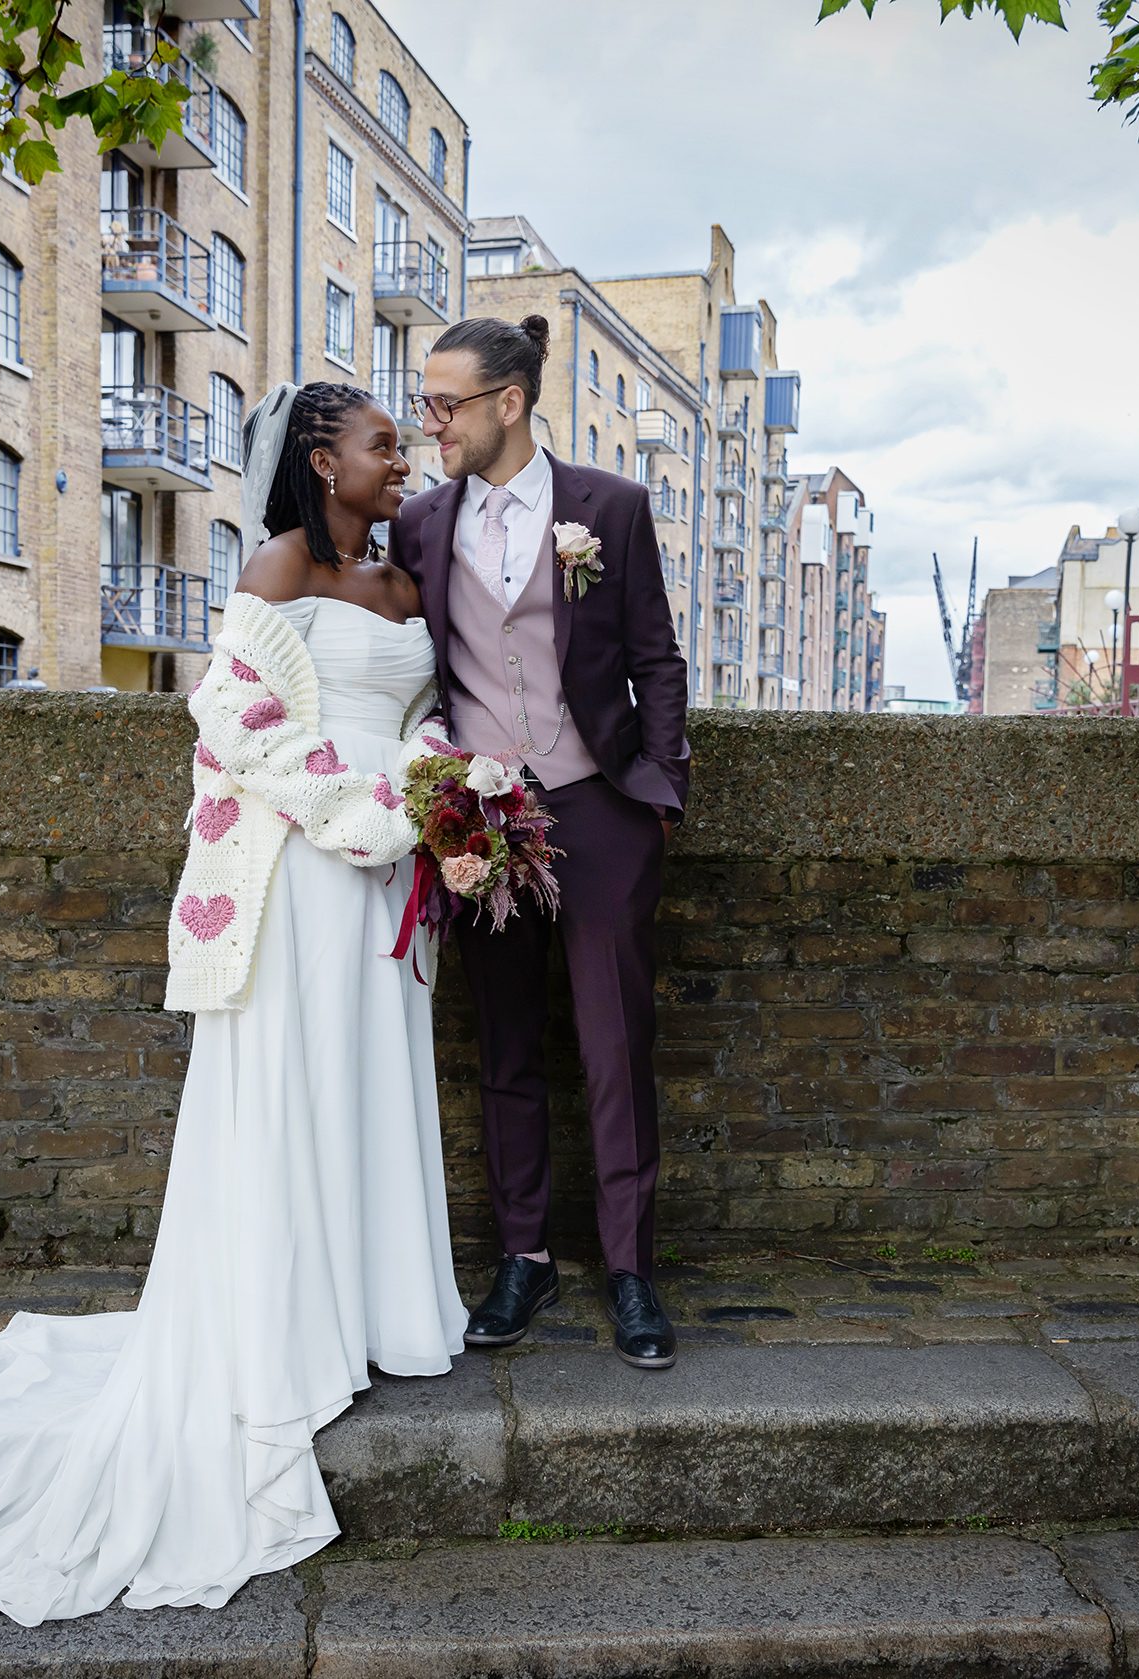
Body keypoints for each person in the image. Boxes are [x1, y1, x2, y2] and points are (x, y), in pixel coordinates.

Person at [0, 382, 470, 1626]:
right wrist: (370, 816)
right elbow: (240, 726)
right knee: (296, 1091)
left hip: (388, 880)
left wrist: (441, 799)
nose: (401, 461)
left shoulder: (405, 582)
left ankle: (374, 1312)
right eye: (383, 444)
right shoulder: (278, 564)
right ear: (323, 462)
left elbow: (421, 719)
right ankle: (289, 1326)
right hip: (309, 871)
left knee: (369, 1088)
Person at [393, 314, 693, 1371]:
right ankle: (523, 1254)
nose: (429, 420)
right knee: (506, 1044)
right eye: (425, 401)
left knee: (617, 1048)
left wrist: (659, 791)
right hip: (479, 815)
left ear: (508, 402)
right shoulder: (421, 524)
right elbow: (412, 667)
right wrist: (437, 793)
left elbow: (656, 657)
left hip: (598, 803)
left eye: (445, 403)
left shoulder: (609, 507)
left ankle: (629, 1269)